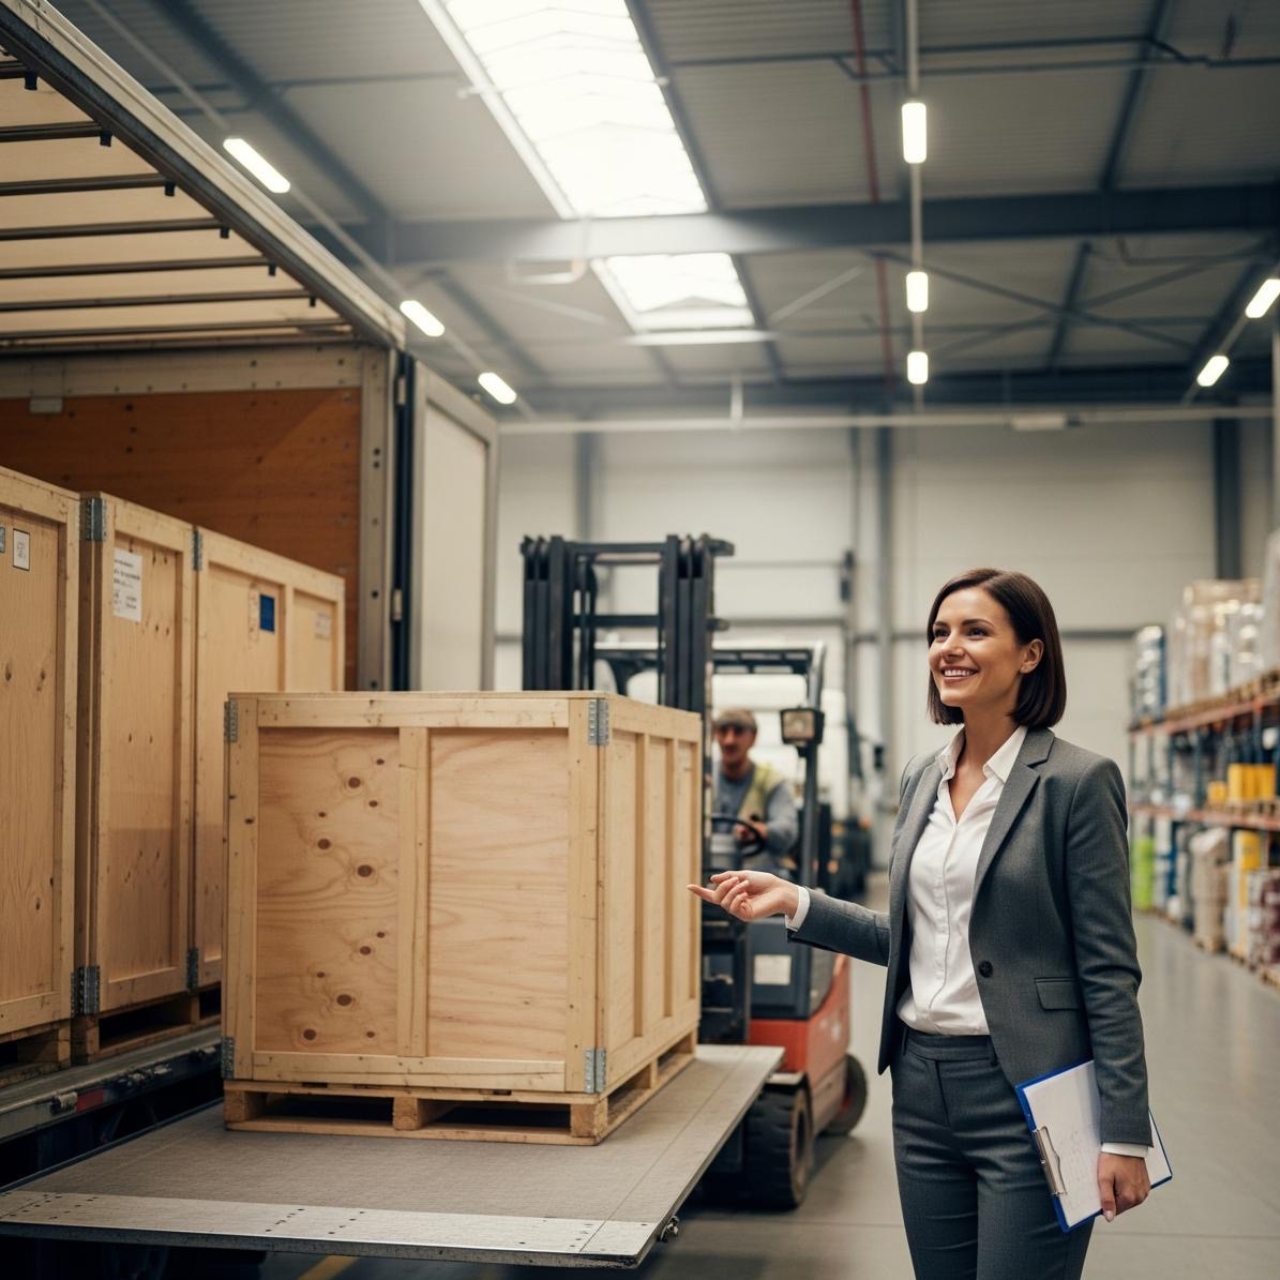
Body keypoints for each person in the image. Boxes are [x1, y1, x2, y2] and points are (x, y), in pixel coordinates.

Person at [691, 568, 1151, 1280]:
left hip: (1028, 1093)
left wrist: (1124, 1132)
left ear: (1031, 654)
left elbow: (1108, 970)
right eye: (939, 633)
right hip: (922, 1091)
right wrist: (795, 900)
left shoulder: (1077, 783)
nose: (948, 648)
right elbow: (916, 940)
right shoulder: (921, 778)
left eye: (974, 631)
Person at [712, 706, 798, 875]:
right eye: (723, 731)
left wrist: (759, 830)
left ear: (753, 738)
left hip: (756, 880)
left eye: (738, 732)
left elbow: (787, 829)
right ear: (715, 735)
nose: (729, 740)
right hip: (707, 872)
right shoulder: (701, 778)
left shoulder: (770, 781)